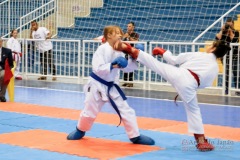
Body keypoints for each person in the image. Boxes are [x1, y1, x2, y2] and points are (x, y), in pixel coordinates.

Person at [114, 40, 231, 151]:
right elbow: (205, 84)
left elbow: (174, 60)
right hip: (191, 85)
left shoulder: (200, 55)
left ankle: (132, 51)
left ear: (213, 48)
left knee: (156, 64)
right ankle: (201, 141)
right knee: (194, 111)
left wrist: (163, 52)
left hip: (179, 73)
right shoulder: (215, 68)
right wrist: (185, 89)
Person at [67, 25, 155, 145]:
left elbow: (128, 68)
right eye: (117, 33)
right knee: (89, 111)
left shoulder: (120, 50)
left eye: (120, 33)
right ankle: (80, 130)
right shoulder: (102, 49)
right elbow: (97, 68)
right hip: (96, 85)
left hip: (112, 86)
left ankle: (135, 136)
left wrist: (133, 58)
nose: (120, 35)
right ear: (109, 35)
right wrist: (113, 65)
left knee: (126, 110)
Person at [215, 18, 240, 95]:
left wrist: (230, 31)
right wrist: (222, 30)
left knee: (236, 73)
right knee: (226, 73)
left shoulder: (236, 32)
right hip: (225, 57)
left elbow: (234, 40)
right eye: (227, 24)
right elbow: (217, 38)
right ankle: (226, 89)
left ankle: (237, 89)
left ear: (233, 24)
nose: (228, 26)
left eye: (230, 24)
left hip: (234, 56)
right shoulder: (223, 33)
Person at [122, 22, 139, 87]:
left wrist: (128, 36)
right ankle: (125, 81)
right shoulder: (125, 34)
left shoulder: (135, 34)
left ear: (133, 27)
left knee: (131, 66)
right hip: (125, 52)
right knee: (125, 66)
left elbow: (136, 41)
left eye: (129, 26)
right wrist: (124, 37)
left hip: (132, 52)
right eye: (127, 26)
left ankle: (130, 82)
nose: (128, 27)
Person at [0, 38, 14, 102]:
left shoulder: (7, 51)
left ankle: (2, 95)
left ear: (1, 42)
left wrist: (8, 69)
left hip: (3, 69)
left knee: (4, 76)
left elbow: (11, 64)